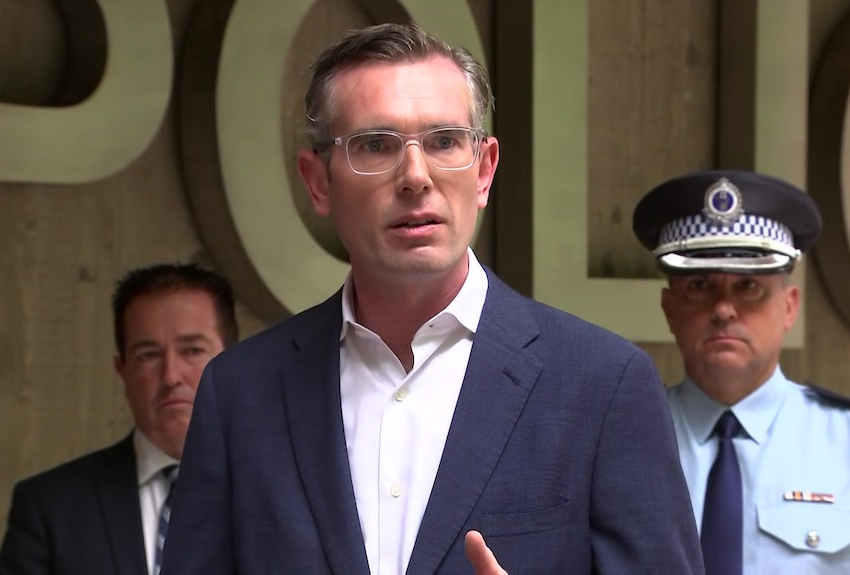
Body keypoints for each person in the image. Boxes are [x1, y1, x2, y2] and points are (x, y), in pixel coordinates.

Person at [160, 23, 704, 575]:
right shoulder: (240, 395)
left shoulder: (604, 386)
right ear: (318, 182)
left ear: (485, 169)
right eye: (375, 145)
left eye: (444, 141)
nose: (416, 176)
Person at [632, 169, 850, 574]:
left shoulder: (844, 444)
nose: (724, 309)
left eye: (749, 287)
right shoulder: (623, 437)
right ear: (669, 308)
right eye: (699, 285)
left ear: (789, 306)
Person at [0, 263, 238, 575]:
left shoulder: (288, 491)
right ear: (122, 371)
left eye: (191, 350)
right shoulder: (50, 508)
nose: (171, 376)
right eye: (148, 355)